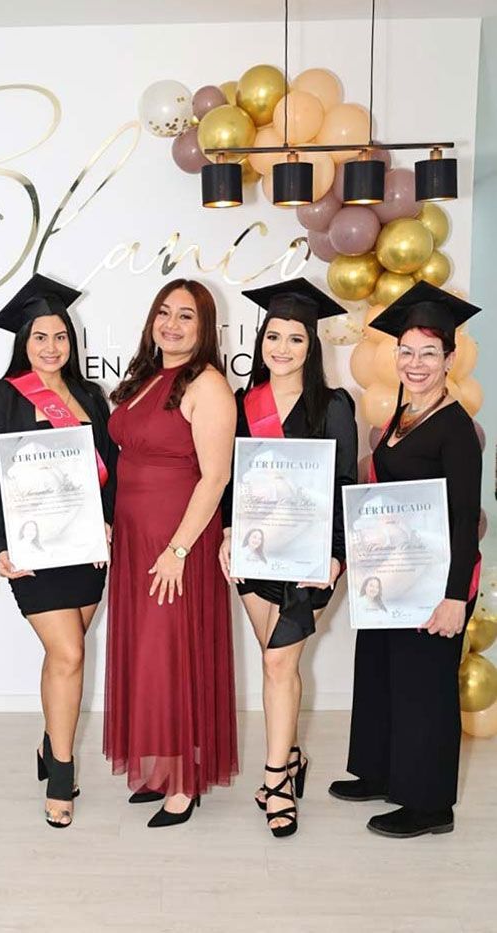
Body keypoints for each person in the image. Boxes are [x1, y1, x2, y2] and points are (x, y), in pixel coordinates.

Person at [329, 282, 482, 838]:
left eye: (429, 353)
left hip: (432, 581)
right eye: (407, 351)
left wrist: (454, 597)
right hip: (389, 576)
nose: (416, 364)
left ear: (448, 359)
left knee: (425, 688)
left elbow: (465, 516)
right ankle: (379, 771)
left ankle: (428, 804)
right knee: (382, 673)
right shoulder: (401, 416)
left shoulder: (455, 427)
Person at [0, 274, 116, 829]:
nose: (51, 347)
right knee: (70, 656)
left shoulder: (89, 397)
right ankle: (61, 773)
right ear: (23, 342)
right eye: (40, 337)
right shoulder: (1, 395)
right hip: (34, 551)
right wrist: (0, 546)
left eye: (60, 336)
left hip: (84, 548)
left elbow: (111, 470)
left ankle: (48, 741)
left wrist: (106, 522)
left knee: (67, 654)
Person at [219, 279, 358, 838]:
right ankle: (292, 757)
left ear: (311, 347)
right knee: (278, 664)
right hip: (256, 556)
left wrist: (336, 556)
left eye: (294, 339)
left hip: (307, 560)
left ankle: (276, 779)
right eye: (272, 337)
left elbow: (345, 482)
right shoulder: (239, 404)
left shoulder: (335, 405)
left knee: (279, 664)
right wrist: (229, 532)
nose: (281, 348)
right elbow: (230, 481)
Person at [104, 278, 238, 828]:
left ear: (204, 328)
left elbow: (215, 477)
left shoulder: (206, 384)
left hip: (175, 540)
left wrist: (180, 548)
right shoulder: (144, 377)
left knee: (172, 652)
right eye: (164, 312)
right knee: (146, 652)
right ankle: (160, 768)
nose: (173, 325)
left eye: (186, 316)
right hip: (135, 537)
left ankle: (183, 784)